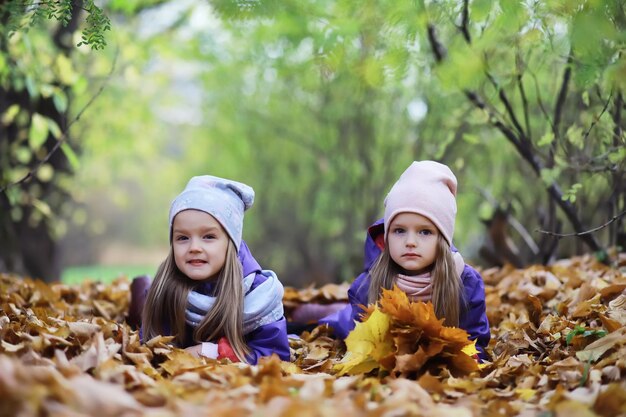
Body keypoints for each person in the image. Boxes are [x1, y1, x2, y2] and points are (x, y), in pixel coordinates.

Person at [320, 161, 490, 359]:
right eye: (399, 231)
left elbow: (476, 346)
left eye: (425, 232)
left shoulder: (466, 284)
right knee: (327, 320)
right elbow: (360, 346)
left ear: (442, 239)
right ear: (387, 236)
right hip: (349, 326)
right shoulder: (367, 285)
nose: (410, 242)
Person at [141, 175, 290, 364]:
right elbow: (151, 345)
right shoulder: (165, 287)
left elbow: (274, 357)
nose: (194, 247)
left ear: (231, 243)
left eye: (208, 237)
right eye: (183, 238)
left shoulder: (258, 294)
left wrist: (212, 352)